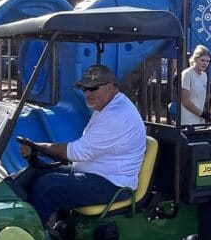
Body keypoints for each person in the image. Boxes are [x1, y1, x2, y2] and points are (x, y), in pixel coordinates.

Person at [18, 64, 147, 224]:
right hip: (96, 173)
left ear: (110, 87)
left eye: (93, 88)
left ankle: (36, 235)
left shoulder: (117, 115)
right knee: (35, 172)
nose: (87, 93)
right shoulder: (105, 108)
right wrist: (39, 149)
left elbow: (78, 152)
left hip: (113, 184)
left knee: (47, 187)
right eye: (84, 89)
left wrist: (41, 147)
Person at [180, 45, 211, 125]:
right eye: (202, 60)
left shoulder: (204, 76)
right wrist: (202, 114)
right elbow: (185, 101)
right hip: (188, 120)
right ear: (195, 59)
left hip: (200, 120)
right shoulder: (187, 74)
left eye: (208, 61)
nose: (205, 63)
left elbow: (200, 99)